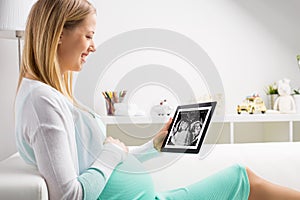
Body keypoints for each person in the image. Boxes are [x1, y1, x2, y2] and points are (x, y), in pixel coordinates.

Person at [14, 0, 300, 199]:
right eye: (88, 35)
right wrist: (111, 153)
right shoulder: (42, 101)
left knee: (243, 178)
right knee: (243, 179)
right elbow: (70, 196)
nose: (93, 46)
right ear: (58, 33)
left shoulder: (46, 96)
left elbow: (100, 164)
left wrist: (153, 147)